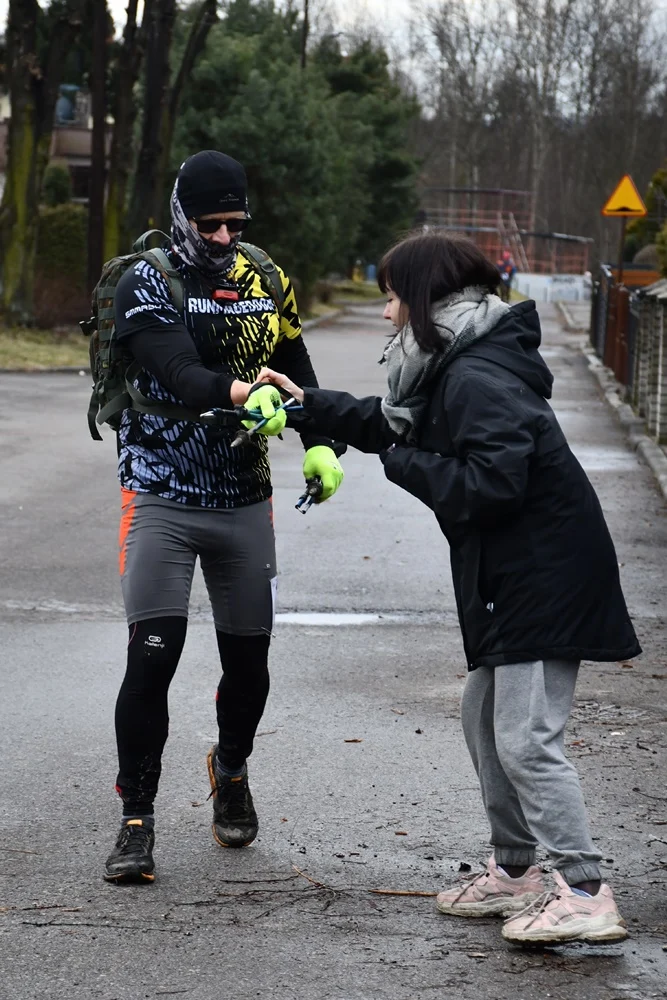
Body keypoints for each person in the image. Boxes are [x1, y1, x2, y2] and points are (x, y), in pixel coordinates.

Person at [257, 231, 640, 944]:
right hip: (515, 571)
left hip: (543, 574)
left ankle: (586, 891)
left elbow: (492, 484)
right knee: (483, 716)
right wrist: (306, 405)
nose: (385, 313)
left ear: (424, 297)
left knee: (525, 738)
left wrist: (401, 463)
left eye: (392, 297)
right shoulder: (454, 360)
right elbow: (394, 423)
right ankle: (517, 870)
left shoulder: (475, 375)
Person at [103, 150, 344, 884]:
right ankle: (135, 819)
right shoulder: (146, 282)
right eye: (210, 224)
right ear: (182, 215)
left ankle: (230, 768)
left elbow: (296, 366)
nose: (222, 238)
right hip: (160, 491)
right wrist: (245, 394)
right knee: (154, 653)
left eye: (234, 224)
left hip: (243, 496)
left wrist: (322, 441)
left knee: (249, 664)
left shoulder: (265, 277)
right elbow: (180, 373)